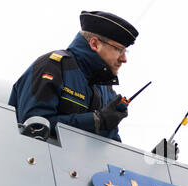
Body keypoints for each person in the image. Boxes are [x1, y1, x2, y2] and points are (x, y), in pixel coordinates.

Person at [9, 10, 139, 142]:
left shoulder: (106, 89)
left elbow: (111, 143)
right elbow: (34, 126)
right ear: (94, 44)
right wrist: (96, 121)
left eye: (125, 51)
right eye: (119, 49)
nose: (124, 59)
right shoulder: (53, 67)